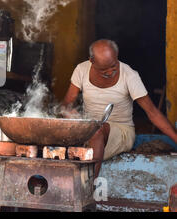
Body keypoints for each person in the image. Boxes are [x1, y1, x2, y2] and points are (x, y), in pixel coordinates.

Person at [62, 39, 177, 177]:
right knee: (80, 136)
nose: (110, 72)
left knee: (97, 131)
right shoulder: (81, 70)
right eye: (104, 70)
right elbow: (66, 105)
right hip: (90, 129)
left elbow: (152, 113)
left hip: (122, 131)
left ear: (116, 57)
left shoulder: (129, 75)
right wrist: (70, 114)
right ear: (91, 61)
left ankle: (89, 187)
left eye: (114, 66)